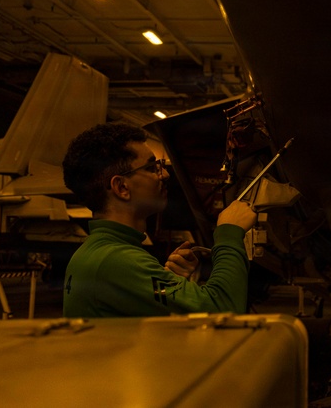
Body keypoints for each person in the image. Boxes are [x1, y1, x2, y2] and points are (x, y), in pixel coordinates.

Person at [61, 122, 257, 318]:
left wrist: (169, 283)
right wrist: (229, 233)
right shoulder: (116, 260)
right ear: (121, 187)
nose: (165, 174)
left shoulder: (98, 253)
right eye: (151, 167)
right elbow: (222, 310)